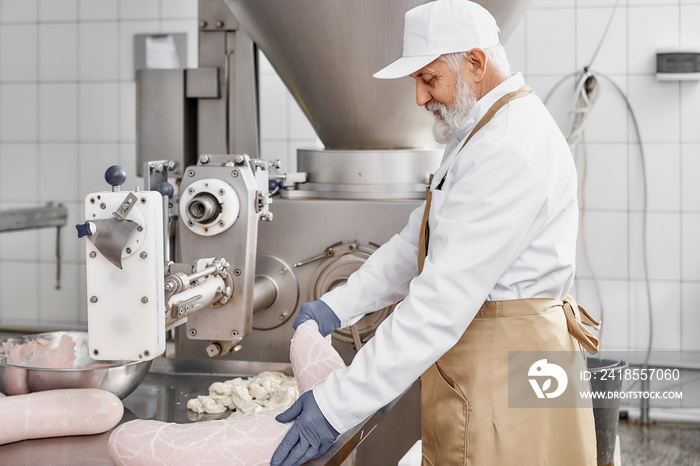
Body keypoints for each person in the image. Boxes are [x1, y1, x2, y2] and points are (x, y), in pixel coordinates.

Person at [271, 1, 601, 465]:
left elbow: (440, 302)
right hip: (491, 360)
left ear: (476, 62)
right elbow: (417, 240)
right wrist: (339, 304)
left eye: (429, 79)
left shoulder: (508, 147)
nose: (420, 98)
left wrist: (333, 406)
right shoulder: (480, 131)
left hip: (510, 373)